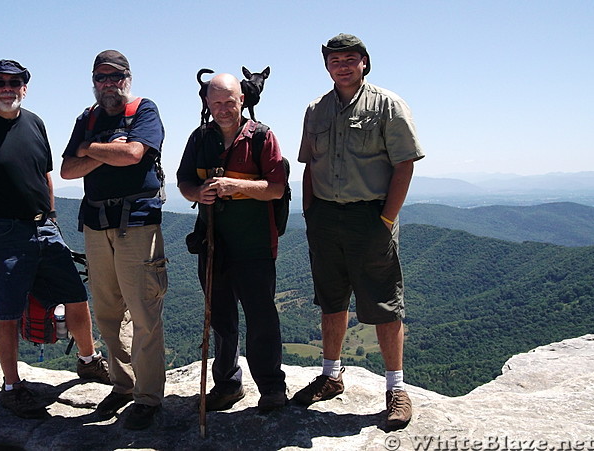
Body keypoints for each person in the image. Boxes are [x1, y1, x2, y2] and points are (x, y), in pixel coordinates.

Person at [0, 59, 109, 419]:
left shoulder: (35, 123)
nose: (7, 87)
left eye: (15, 82)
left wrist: (51, 219)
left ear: (25, 86)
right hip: (2, 233)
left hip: (44, 228)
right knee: (6, 312)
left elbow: (45, 176)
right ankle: (12, 386)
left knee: (75, 295)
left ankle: (88, 361)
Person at [295, 34, 424, 429]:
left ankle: (396, 389)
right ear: (327, 66)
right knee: (331, 299)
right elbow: (308, 164)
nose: (343, 66)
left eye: (351, 59)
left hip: (370, 216)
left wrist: (386, 220)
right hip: (325, 217)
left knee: (384, 303)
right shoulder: (315, 109)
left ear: (364, 62)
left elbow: (405, 165)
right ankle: (331, 376)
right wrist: (310, 213)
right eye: (335, 60)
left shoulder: (387, 105)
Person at [60, 50, 167, 430]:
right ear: (94, 81)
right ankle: (123, 385)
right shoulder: (86, 119)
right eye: (101, 77)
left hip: (136, 224)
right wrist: (106, 151)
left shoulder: (144, 111)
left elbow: (136, 152)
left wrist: (89, 149)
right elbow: (67, 169)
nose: (108, 83)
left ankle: (149, 397)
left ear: (128, 78)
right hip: (96, 224)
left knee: (144, 313)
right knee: (107, 312)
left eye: (115, 76)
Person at [177, 73, 288, 412]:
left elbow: (276, 188)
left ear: (243, 100)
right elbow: (183, 181)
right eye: (216, 103)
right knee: (220, 318)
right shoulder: (200, 138)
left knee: (261, 318)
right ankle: (227, 385)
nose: (223, 109)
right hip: (213, 245)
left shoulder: (262, 137)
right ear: (207, 103)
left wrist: (232, 187)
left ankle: (271, 388)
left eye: (230, 102)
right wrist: (199, 193)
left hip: (254, 247)